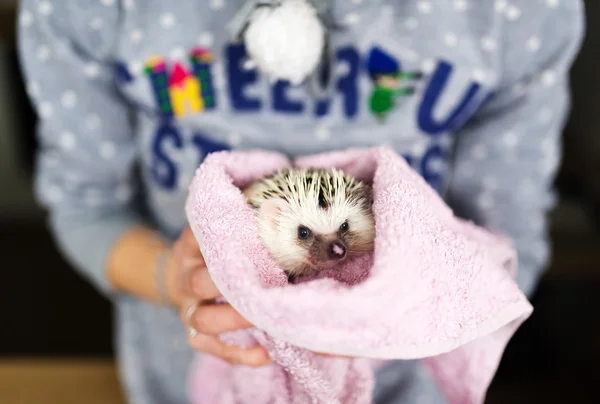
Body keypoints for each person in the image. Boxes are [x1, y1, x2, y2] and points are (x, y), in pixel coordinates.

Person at [17, 0, 584, 403]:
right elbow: (86, 205)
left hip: (408, 386)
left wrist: (397, 318)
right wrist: (173, 276)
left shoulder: (518, 13)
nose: (333, 249)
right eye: (308, 237)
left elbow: (507, 252)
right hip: (181, 371)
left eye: (335, 231)